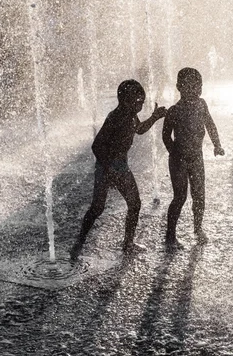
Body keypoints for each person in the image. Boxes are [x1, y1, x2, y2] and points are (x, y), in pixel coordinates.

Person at [69, 79, 167, 260]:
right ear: (125, 100)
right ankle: (81, 241)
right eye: (138, 101)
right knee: (98, 207)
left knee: (132, 204)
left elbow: (139, 129)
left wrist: (154, 117)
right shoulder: (115, 117)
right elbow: (96, 146)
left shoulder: (129, 114)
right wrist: (109, 171)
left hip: (119, 167)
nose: (140, 105)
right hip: (109, 167)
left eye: (142, 101)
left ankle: (126, 243)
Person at [162, 67, 224, 251]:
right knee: (180, 197)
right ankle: (170, 235)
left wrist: (217, 144)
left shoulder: (202, 105)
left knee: (199, 196)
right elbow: (165, 135)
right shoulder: (174, 111)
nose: (196, 90)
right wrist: (174, 152)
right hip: (179, 160)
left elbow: (210, 124)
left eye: (199, 86)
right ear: (179, 87)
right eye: (190, 86)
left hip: (197, 158)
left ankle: (198, 228)